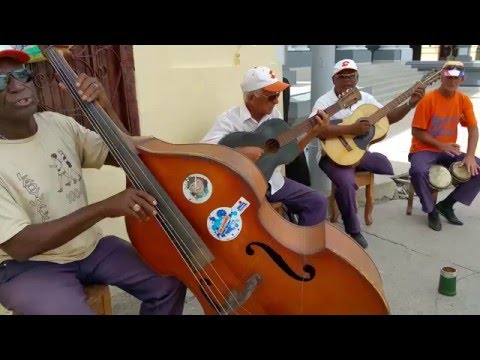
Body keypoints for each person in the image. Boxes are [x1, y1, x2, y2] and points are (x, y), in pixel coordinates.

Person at [0, 45, 187, 315]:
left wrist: (106, 107)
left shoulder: (57, 124)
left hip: (90, 248)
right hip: (28, 266)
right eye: (2, 81)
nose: (17, 86)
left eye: (21, 74)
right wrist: (103, 208)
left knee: (169, 280)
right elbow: (20, 245)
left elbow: (127, 157)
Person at [309, 59, 426, 248]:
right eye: (342, 75)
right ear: (334, 79)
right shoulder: (324, 102)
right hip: (330, 157)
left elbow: (388, 117)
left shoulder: (366, 99)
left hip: (357, 152)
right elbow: (316, 130)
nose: (348, 79)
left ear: (357, 78)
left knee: (385, 165)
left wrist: (409, 104)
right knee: (346, 184)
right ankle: (353, 230)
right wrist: (351, 129)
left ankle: (355, 162)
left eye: (351, 75)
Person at [201, 66, 329, 226]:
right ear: (252, 97)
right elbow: (205, 153)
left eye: (278, 95)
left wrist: (313, 132)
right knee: (231, 222)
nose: (276, 101)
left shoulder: (275, 116)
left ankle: (302, 248)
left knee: (318, 202)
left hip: (273, 183)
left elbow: (288, 154)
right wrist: (239, 152)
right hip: (241, 186)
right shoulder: (228, 120)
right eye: (271, 96)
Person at [409, 60, 480, 231]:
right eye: (448, 77)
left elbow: (473, 129)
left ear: (462, 80)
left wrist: (470, 156)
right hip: (423, 149)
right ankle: (431, 210)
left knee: (478, 168)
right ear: (441, 77)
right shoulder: (428, 100)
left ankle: (446, 205)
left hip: (448, 150)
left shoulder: (463, 100)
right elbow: (416, 132)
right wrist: (441, 145)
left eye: (457, 78)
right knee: (417, 171)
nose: (452, 81)